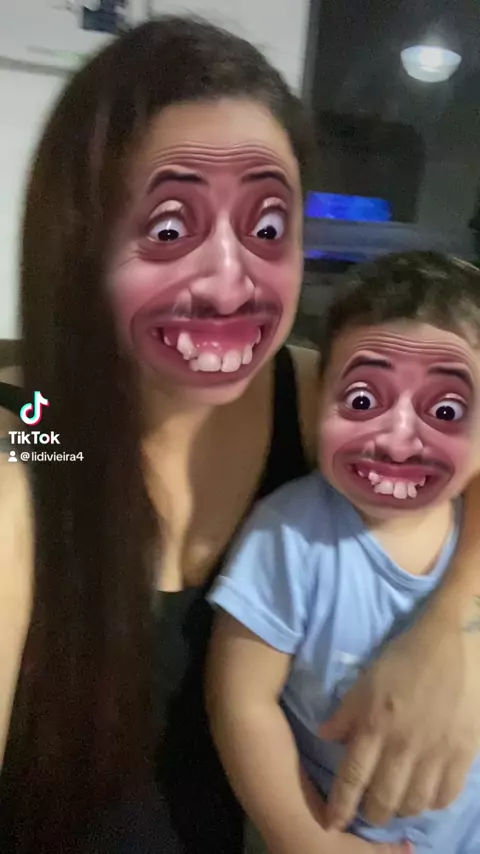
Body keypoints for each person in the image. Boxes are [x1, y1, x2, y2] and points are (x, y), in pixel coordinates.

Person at [0, 16, 479, 854]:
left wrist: (451, 632)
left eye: (267, 229)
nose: (230, 284)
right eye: (170, 228)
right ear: (80, 241)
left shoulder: (317, 398)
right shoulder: (34, 441)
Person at [207, 252, 480, 854]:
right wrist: (311, 843)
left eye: (445, 411)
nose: (397, 438)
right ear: (317, 396)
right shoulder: (290, 534)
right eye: (361, 401)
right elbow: (241, 702)